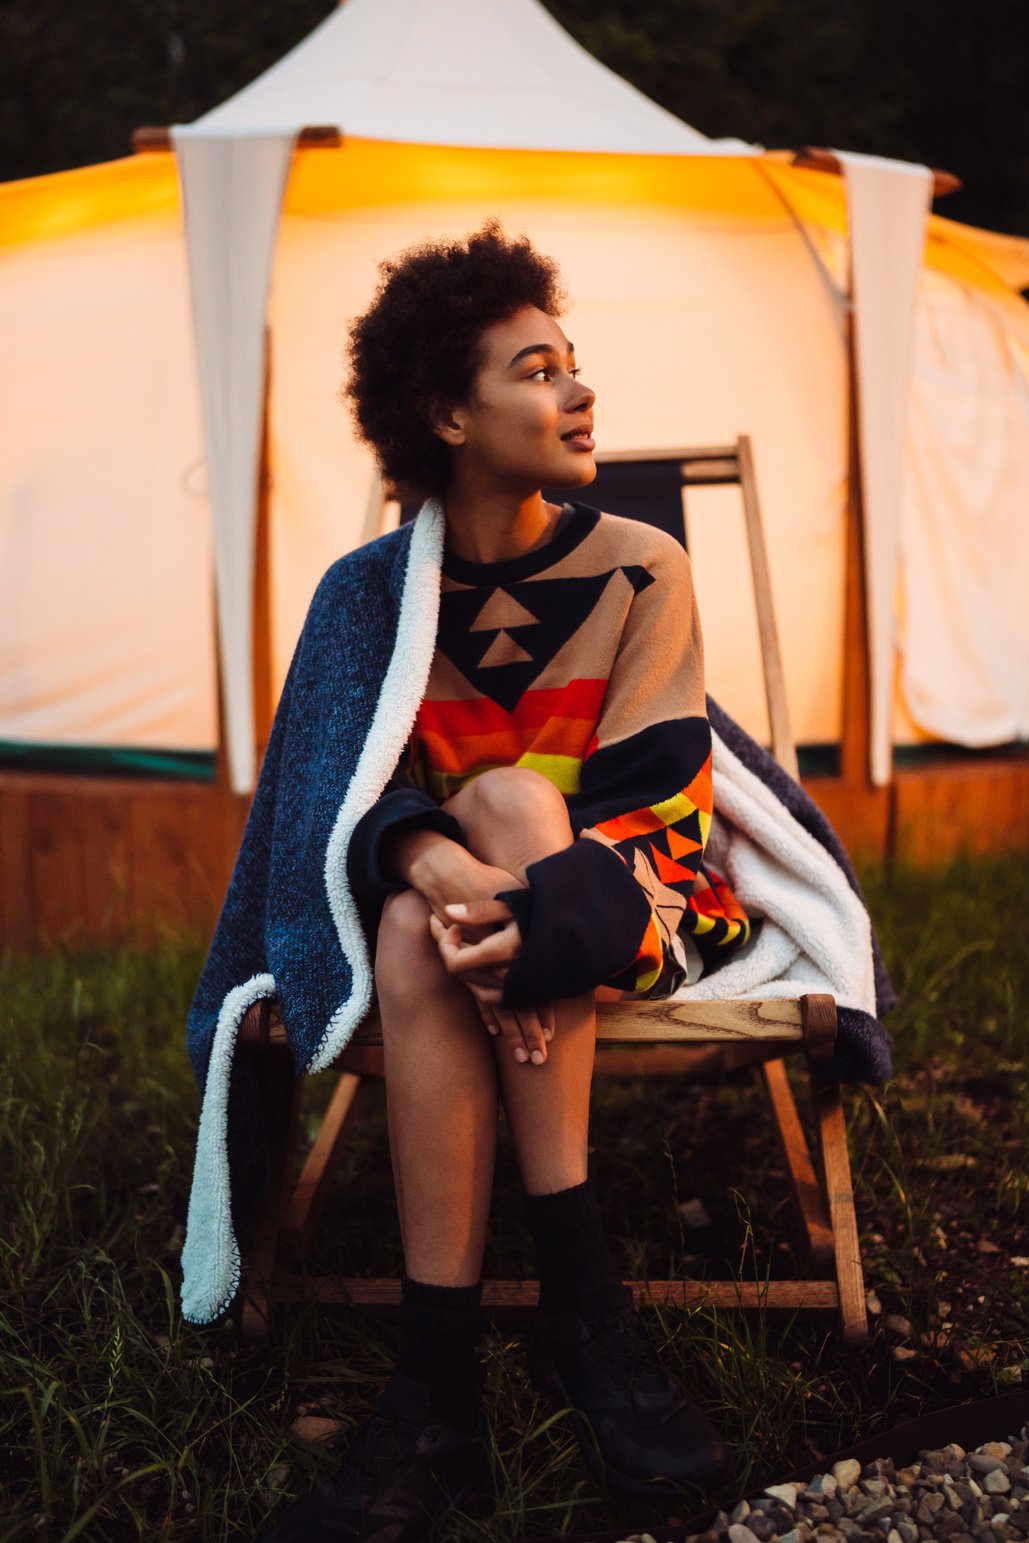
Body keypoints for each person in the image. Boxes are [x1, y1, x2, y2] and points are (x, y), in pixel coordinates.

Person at [260, 222, 749, 1543]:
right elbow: (328, 805)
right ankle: (552, 1338)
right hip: (452, 915)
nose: (578, 392)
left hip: (606, 900)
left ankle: (457, 1382)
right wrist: (444, 868)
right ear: (446, 413)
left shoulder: (642, 567)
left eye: (574, 365)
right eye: (536, 370)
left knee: (519, 805)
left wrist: (533, 915)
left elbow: (657, 811)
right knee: (435, 907)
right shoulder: (367, 597)